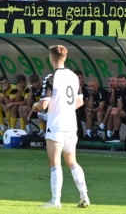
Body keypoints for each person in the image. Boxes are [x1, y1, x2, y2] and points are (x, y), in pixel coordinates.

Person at [32, 44, 90, 209]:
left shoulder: (50, 78)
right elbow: (79, 101)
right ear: (65, 57)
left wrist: (35, 106)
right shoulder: (73, 76)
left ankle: (55, 201)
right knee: (72, 162)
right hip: (71, 125)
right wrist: (64, 108)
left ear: (50, 58)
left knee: (55, 162)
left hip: (56, 125)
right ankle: (84, 196)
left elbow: (43, 104)